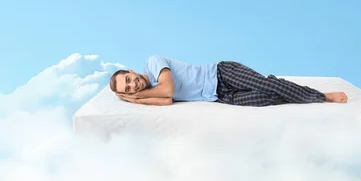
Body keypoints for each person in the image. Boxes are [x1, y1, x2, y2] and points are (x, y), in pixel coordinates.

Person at [109, 55, 348, 106]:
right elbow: (166, 102)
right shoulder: (150, 94)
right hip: (219, 96)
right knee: (265, 99)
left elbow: (168, 90)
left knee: (267, 85)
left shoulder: (153, 63)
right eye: (128, 88)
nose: (133, 85)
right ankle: (277, 84)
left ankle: (322, 95)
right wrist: (136, 100)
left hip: (221, 73)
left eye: (129, 79)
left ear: (131, 71)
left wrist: (137, 96)